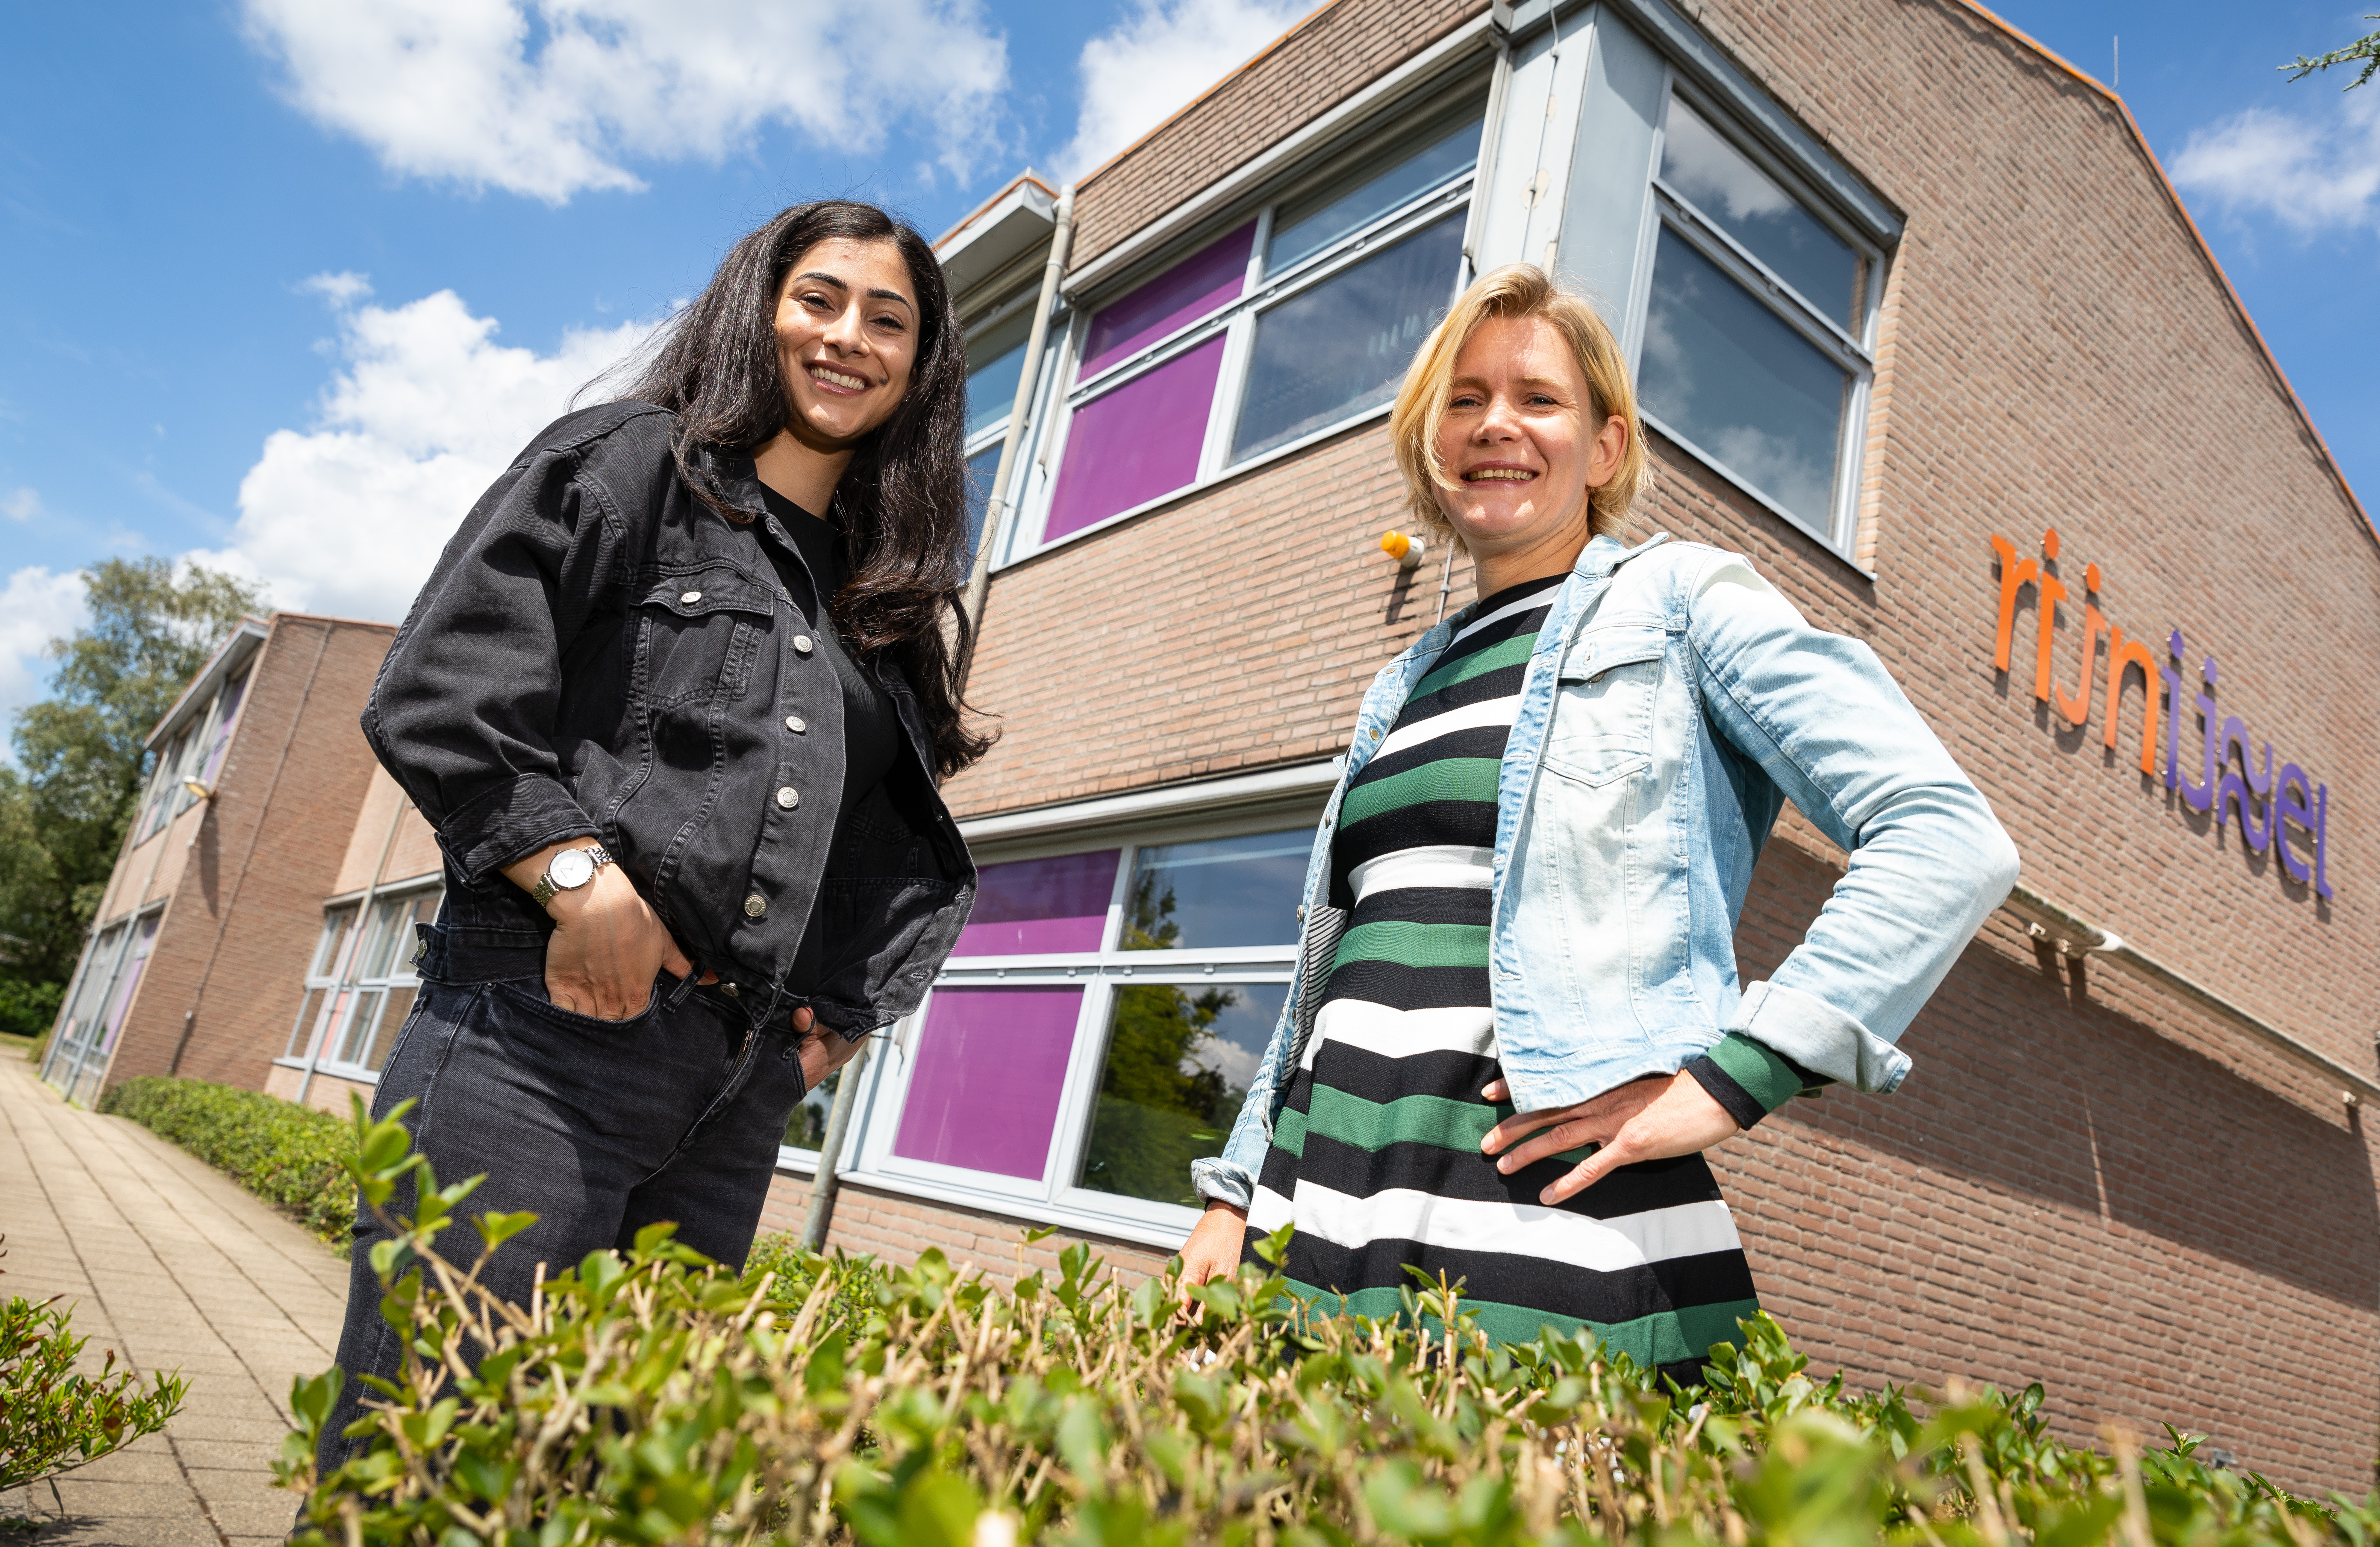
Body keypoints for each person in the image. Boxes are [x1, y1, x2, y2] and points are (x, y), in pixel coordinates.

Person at [1179, 265, 2018, 1381]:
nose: (1495, 426)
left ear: (1606, 447)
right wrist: (1237, 1194)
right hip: (1314, 1205)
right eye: (1463, 400)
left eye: (1537, 399)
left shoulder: (1679, 602)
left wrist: (1735, 1076)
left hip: (1532, 1216)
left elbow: (1942, 832)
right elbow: (1324, 978)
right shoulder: (1401, 685)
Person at [318, 200, 986, 1470]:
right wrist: (579, 883)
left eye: (887, 319)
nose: (850, 337)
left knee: (602, 1499)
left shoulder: (882, 601)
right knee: (424, 1485)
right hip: (537, 1046)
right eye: (821, 299)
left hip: (731, 1097)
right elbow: (440, 692)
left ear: (921, 363)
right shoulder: (631, 464)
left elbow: (882, 840)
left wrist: (840, 1011)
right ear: (759, 309)